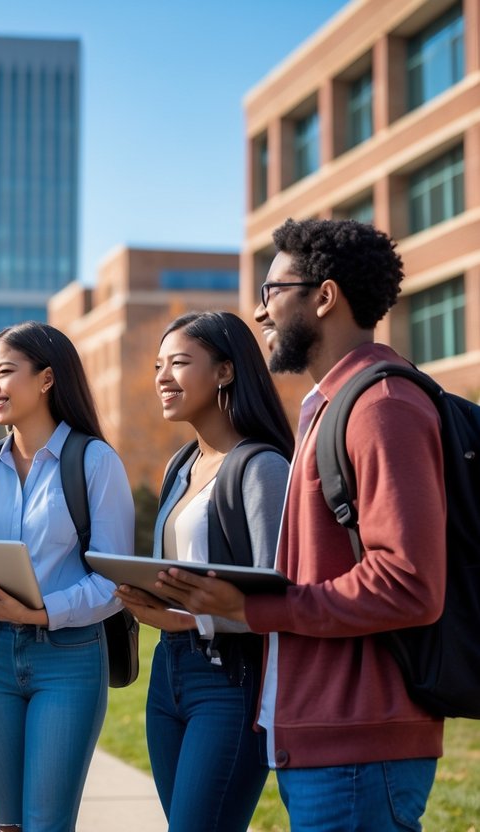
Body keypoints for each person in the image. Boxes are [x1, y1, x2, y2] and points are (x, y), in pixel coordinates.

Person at [159, 219, 447, 831]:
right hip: (321, 739)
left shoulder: (381, 408)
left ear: (323, 296)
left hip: (358, 748)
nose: (260, 314)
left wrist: (255, 607)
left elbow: (408, 584)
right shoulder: (330, 407)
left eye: (271, 293)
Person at [0, 321, 134, 832]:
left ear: (48, 378)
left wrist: (40, 612)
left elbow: (113, 581)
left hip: (69, 659)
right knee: (6, 823)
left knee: (46, 822)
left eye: (5, 372)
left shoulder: (95, 461)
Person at [114, 311, 292, 831]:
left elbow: (281, 601)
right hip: (168, 677)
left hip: (230, 681)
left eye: (179, 363)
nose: (162, 378)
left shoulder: (262, 467)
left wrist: (188, 620)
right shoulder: (181, 465)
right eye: (157, 366)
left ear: (225, 372)